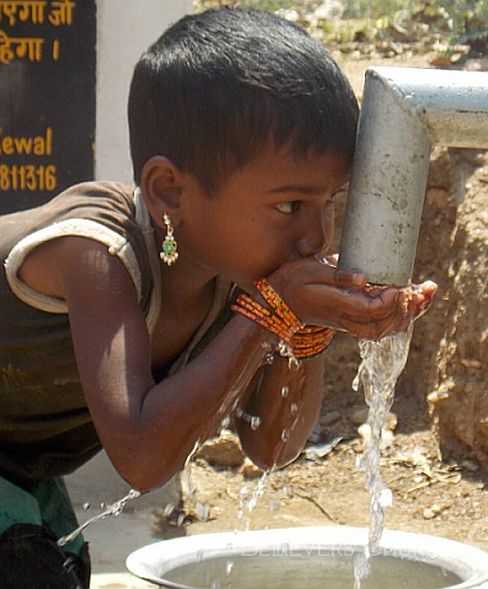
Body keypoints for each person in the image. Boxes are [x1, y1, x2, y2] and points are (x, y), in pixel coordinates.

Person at [0, 6, 436, 588]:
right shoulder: (96, 253)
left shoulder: (236, 268)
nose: (317, 237)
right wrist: (271, 314)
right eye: (289, 206)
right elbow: (143, 457)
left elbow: (268, 445)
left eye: (330, 200)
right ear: (168, 190)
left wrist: (307, 327)